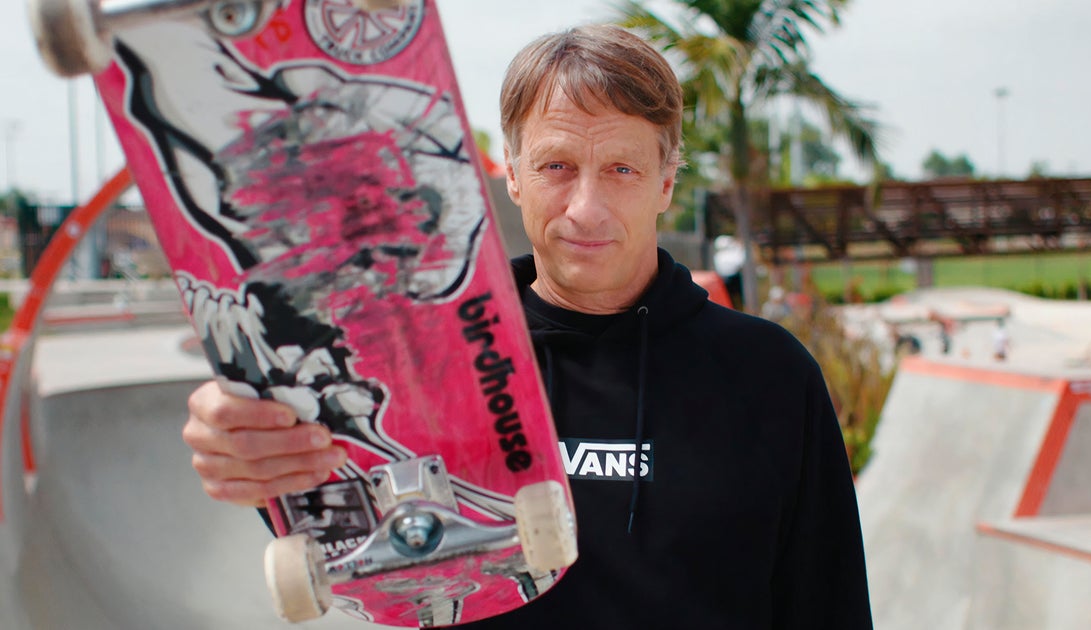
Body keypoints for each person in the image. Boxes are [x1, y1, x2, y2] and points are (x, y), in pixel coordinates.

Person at [182, 24, 871, 629]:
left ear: (667, 180)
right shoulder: (414, 366)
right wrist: (250, 435)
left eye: (622, 169)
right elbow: (332, 524)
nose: (585, 208)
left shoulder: (767, 376)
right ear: (511, 175)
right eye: (557, 167)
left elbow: (827, 605)